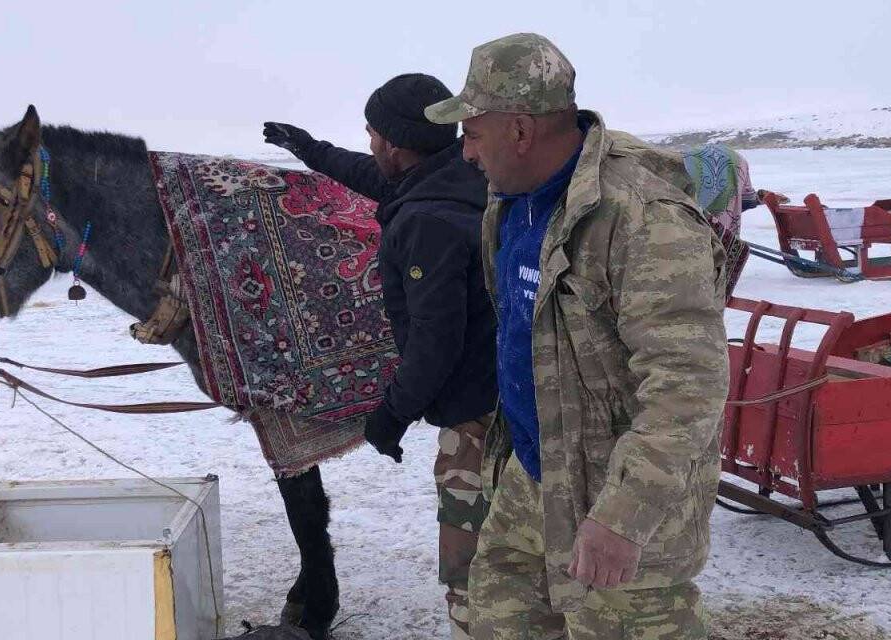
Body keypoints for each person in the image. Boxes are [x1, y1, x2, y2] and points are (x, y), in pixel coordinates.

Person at [424, 33, 730, 639]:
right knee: (499, 621)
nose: (465, 152)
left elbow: (687, 385)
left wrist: (623, 516)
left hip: (618, 505)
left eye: (473, 132)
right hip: (533, 478)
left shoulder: (643, 219)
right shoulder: (511, 203)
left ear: (520, 130)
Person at [263, 73, 498, 640]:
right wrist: (311, 150)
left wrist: (390, 417)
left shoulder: (425, 223)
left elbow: (434, 341)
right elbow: (370, 175)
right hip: (507, 390)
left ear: (395, 142)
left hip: (476, 413)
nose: (369, 145)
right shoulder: (459, 174)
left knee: (473, 567)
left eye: (372, 134)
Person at [682, 143, 786, 297]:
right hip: (718, 215)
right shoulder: (738, 163)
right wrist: (758, 198)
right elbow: (745, 198)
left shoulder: (682, 167)